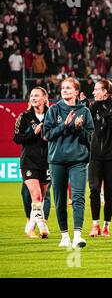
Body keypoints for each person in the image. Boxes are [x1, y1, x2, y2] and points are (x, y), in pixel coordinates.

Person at [44, 77, 94, 248]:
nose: (64, 90)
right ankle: (64, 235)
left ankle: (78, 235)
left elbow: (89, 138)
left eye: (68, 88)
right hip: (57, 161)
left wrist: (79, 129)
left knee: (78, 197)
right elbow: (47, 135)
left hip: (78, 161)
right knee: (59, 200)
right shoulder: (54, 110)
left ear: (76, 92)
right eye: (63, 88)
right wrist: (65, 125)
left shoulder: (85, 111)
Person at [88, 80, 112, 237]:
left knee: (109, 194)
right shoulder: (92, 107)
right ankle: (95, 224)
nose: (93, 93)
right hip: (95, 156)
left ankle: (106, 226)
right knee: (94, 189)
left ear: (105, 92)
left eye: (96, 90)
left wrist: (103, 111)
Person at [14, 86, 51, 238]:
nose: (33, 98)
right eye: (32, 96)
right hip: (29, 161)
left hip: (48, 161)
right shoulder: (24, 116)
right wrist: (32, 132)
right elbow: (17, 138)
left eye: (37, 95)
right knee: (35, 196)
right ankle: (42, 228)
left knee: (41, 197)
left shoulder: (52, 115)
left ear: (44, 98)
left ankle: (30, 227)